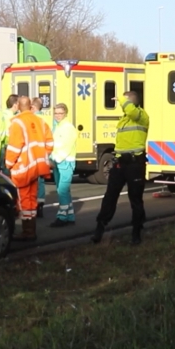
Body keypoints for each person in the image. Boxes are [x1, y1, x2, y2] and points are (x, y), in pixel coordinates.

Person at [92, 90, 150, 245]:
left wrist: (120, 97)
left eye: (124, 102)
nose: (121, 105)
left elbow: (131, 110)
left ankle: (136, 232)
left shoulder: (141, 116)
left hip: (134, 163)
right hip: (120, 163)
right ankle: (100, 227)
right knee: (110, 196)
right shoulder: (124, 120)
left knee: (135, 199)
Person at [5, 96, 53, 241]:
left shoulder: (17, 122)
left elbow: (14, 146)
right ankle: (31, 230)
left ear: (18, 105)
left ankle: (27, 231)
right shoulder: (40, 121)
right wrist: (41, 155)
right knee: (32, 199)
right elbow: (50, 143)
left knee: (24, 199)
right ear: (31, 105)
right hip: (37, 166)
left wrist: (8, 163)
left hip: (23, 167)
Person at [49, 103, 78, 227]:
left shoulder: (68, 127)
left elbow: (66, 146)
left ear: (65, 113)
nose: (58, 115)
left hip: (65, 161)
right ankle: (70, 216)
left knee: (62, 190)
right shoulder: (58, 126)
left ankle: (62, 216)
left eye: (60, 113)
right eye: (56, 113)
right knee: (63, 190)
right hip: (58, 161)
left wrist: (55, 158)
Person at [31, 97, 46, 217]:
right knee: (41, 180)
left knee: (33, 179)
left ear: (33, 108)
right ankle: (40, 204)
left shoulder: (34, 120)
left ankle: (33, 205)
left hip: (34, 153)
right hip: (44, 153)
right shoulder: (47, 119)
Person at [0, 94, 19, 175]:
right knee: (8, 170)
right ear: (15, 105)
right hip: (8, 145)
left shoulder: (2, 113)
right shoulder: (12, 117)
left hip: (1, 145)